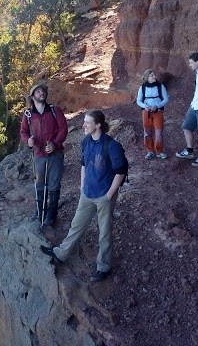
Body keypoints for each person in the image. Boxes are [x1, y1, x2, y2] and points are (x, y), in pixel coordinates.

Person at [40, 109, 127, 282]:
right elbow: (84, 165)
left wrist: (109, 195)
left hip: (104, 195)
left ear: (98, 125)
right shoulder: (85, 141)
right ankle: (61, 253)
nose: (84, 125)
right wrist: (82, 186)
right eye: (85, 121)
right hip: (87, 193)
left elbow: (121, 171)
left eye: (88, 122)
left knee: (104, 232)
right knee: (76, 225)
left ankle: (104, 266)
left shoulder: (111, 145)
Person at [20, 83, 68, 226]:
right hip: (38, 154)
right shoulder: (28, 114)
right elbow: (23, 132)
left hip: (55, 153)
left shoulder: (55, 110)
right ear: (33, 96)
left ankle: (51, 215)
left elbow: (63, 128)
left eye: (43, 91)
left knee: (53, 184)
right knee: (39, 184)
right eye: (38, 91)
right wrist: (28, 141)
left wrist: (55, 143)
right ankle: (40, 211)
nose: (42, 93)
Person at [136, 69, 169, 159]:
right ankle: (149, 151)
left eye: (154, 75)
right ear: (147, 78)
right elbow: (138, 100)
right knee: (147, 131)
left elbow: (166, 99)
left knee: (158, 131)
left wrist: (157, 106)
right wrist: (144, 106)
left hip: (158, 112)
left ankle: (159, 151)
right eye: (152, 75)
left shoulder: (160, 86)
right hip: (146, 112)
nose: (154, 77)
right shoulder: (142, 87)